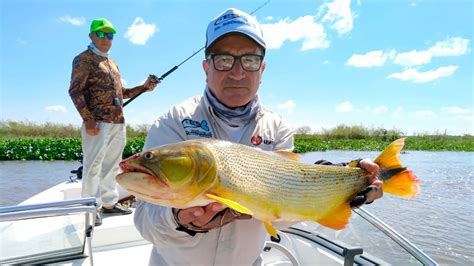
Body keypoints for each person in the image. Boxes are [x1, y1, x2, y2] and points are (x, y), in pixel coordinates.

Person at [134, 8, 382, 265]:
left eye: (250, 60)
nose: (237, 72)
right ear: (206, 67)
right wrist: (177, 219)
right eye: (223, 60)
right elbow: (144, 221)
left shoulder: (278, 128)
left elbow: (282, 213)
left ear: (262, 69)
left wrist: (332, 188)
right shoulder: (173, 122)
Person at [68, 18, 159, 226]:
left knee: (112, 166)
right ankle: (89, 209)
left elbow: (122, 93)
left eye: (110, 35)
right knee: (93, 167)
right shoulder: (83, 59)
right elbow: (75, 91)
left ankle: (109, 203)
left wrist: (145, 87)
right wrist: (88, 119)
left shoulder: (112, 62)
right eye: (101, 34)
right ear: (91, 36)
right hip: (97, 124)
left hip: (118, 123)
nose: (106, 38)